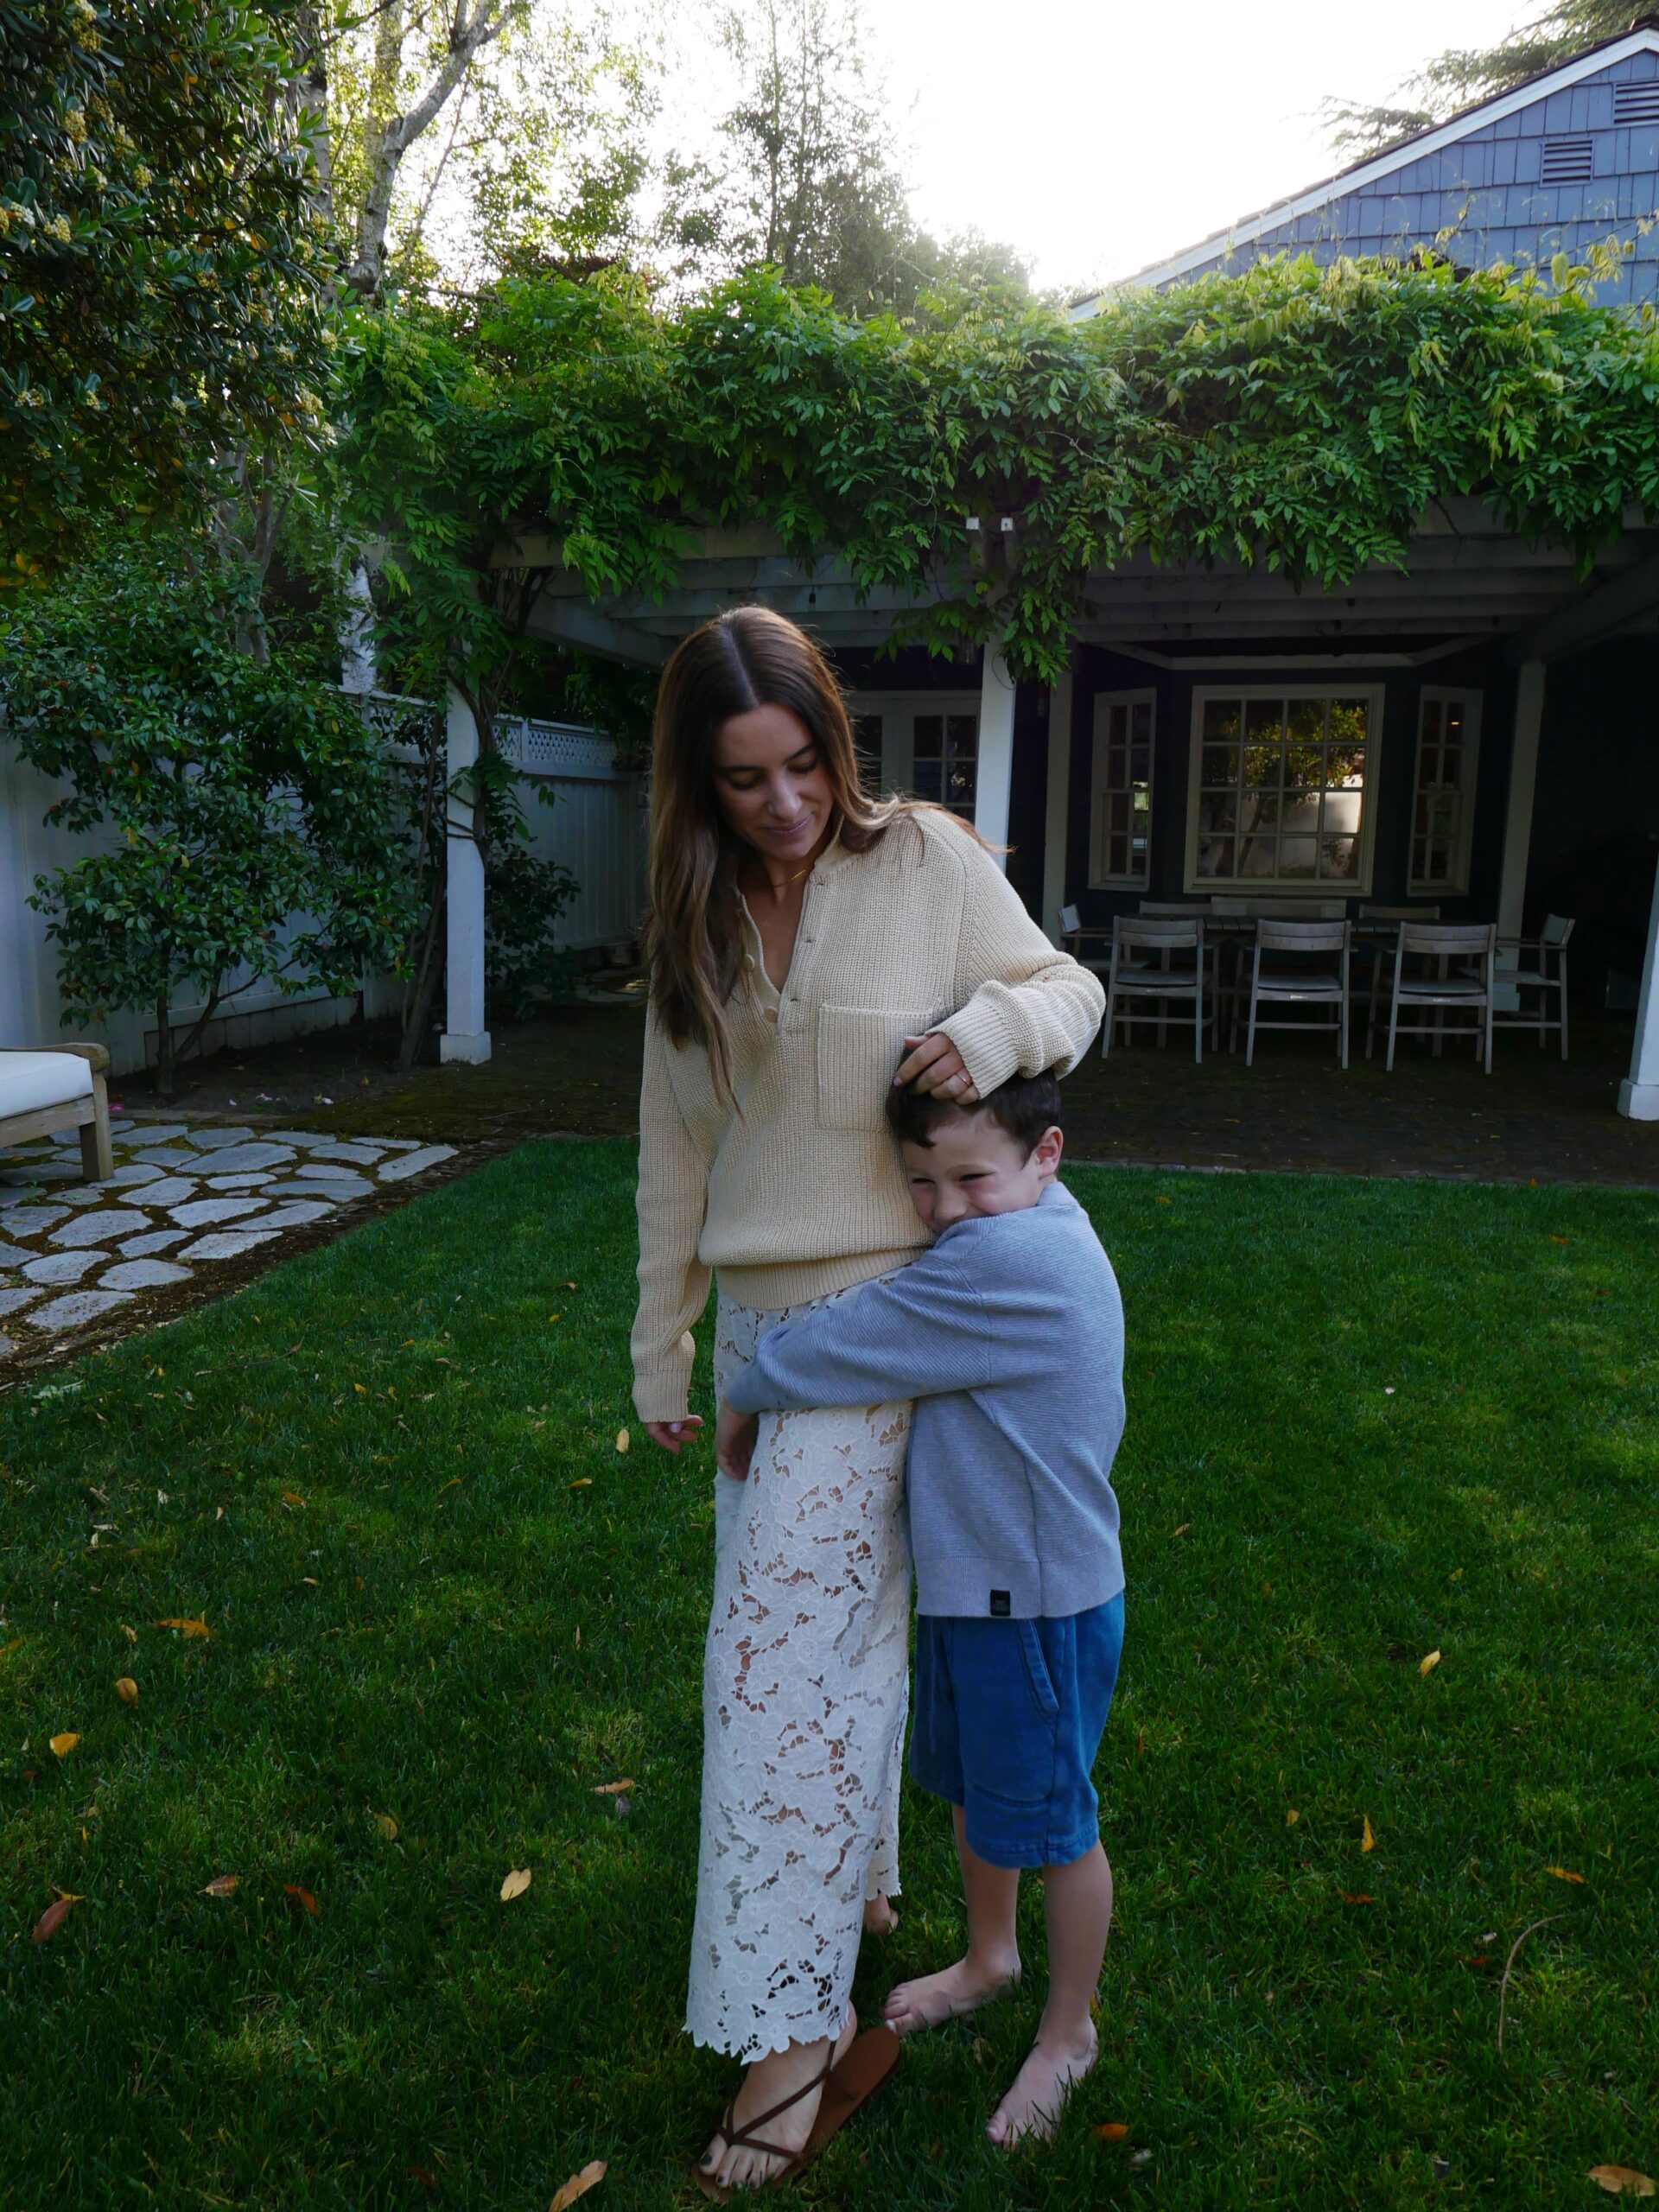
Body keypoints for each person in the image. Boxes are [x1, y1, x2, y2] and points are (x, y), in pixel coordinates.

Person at [630, 607, 1104, 2195]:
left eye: (805, 763)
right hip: (771, 1326)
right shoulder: (693, 916)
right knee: (825, 1649)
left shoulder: (932, 863)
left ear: (836, 737)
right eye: (745, 779)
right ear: (698, 788)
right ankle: (865, 1892)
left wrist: (979, 1031)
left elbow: (1067, 991)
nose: (785, 803)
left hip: (913, 1311)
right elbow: (674, 1148)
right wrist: (664, 1345)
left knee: (772, 1687)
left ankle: (792, 2034)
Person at [717, 1068, 1126, 2147]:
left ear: (1049, 1153)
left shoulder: (1011, 1258)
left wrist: (746, 1385)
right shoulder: (1033, 1220)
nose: (944, 1209)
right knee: (972, 1788)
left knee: (1057, 1824)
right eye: (921, 1182)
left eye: (969, 1178)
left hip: (1035, 1605)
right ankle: (991, 1957)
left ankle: (1069, 2032)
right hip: (979, 1590)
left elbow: (856, 1338)